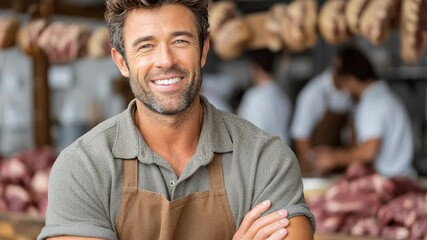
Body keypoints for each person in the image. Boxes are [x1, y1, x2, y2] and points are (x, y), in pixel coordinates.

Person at [38, 1, 315, 240]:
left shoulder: (264, 159)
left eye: (180, 41)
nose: (165, 60)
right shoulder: (83, 167)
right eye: (146, 46)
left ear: (203, 50)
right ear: (121, 61)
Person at [313, 46, 417, 178]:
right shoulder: (384, 96)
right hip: (401, 178)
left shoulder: (372, 103)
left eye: (343, 84)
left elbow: (369, 151)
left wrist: (333, 158)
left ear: (350, 78)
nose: (345, 91)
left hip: (392, 182)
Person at [290, 55, 353, 175]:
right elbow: (300, 137)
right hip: (313, 167)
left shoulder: (348, 94)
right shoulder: (313, 93)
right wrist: (316, 163)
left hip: (337, 164)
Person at [237, 50, 292, 144]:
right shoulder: (282, 94)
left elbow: (253, 135)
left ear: (255, 67)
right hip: (282, 152)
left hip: (263, 154)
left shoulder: (255, 96)